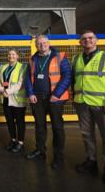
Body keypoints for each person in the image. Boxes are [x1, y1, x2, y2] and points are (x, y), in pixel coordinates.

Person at [72, 30, 105, 184]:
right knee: (87, 134)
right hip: (82, 103)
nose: (87, 41)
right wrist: (75, 98)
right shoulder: (76, 59)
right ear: (80, 42)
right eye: (84, 39)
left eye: (90, 38)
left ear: (96, 40)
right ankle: (91, 161)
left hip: (102, 105)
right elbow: (75, 80)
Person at [25, 35, 71, 169]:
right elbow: (28, 77)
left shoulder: (59, 57)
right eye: (39, 43)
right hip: (37, 98)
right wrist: (30, 93)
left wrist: (56, 94)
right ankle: (40, 150)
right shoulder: (33, 59)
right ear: (35, 45)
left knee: (57, 127)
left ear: (49, 43)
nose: (42, 45)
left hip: (55, 98)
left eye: (44, 43)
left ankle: (58, 156)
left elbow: (67, 76)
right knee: (39, 126)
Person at [0, 49, 28, 153]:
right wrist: (1, 89)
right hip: (6, 99)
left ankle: (21, 142)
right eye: (9, 54)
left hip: (17, 100)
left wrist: (8, 91)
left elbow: (20, 83)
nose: (11, 56)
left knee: (19, 122)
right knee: (9, 121)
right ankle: (13, 140)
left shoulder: (23, 67)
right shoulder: (3, 67)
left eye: (13, 54)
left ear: (18, 56)